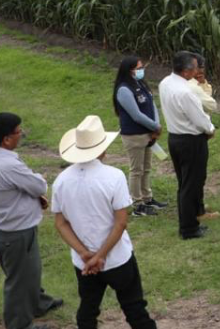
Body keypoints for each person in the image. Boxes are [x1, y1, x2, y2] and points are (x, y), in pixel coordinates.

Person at [51, 115, 157, 329]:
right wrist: (100, 256)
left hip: (83, 261)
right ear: (102, 149)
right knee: (134, 308)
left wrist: (85, 254)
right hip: (117, 257)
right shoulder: (113, 176)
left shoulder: (61, 180)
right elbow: (120, 223)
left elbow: (61, 223)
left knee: (88, 310)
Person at [0, 112, 63, 329]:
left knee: (28, 271)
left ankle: (38, 303)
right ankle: (19, 324)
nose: (21, 135)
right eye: (18, 132)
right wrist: (40, 179)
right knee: (19, 280)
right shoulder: (7, 165)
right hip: (16, 232)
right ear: (6, 139)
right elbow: (39, 186)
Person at [159, 52, 216, 240]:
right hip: (190, 140)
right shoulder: (186, 92)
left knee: (184, 182)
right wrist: (210, 128)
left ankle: (190, 220)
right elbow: (200, 120)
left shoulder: (166, 83)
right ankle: (189, 228)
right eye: (194, 68)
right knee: (191, 184)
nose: (197, 71)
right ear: (185, 71)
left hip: (175, 137)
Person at [111, 57, 165, 218]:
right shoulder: (124, 90)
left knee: (146, 168)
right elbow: (136, 115)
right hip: (134, 135)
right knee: (136, 170)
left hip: (148, 133)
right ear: (129, 70)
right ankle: (137, 204)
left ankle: (147, 198)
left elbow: (152, 104)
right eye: (139, 68)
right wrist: (155, 126)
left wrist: (156, 124)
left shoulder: (140, 84)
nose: (142, 70)